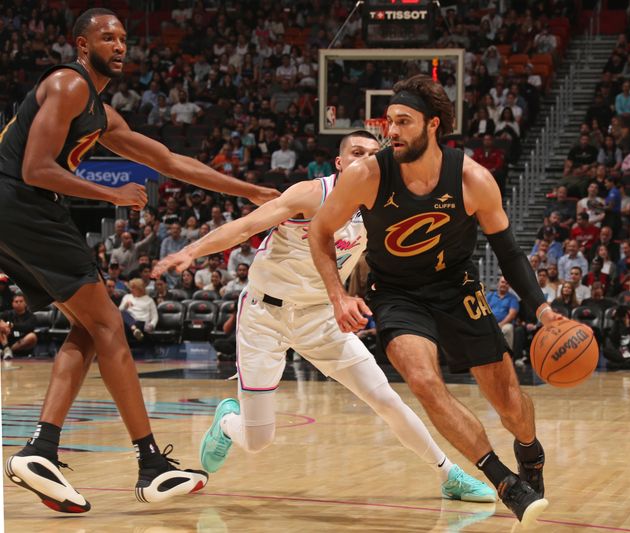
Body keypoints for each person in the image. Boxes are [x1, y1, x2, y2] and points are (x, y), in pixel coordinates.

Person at [0, 9, 278, 512]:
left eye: (124, 38)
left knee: (91, 328)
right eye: (108, 37)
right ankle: (150, 464)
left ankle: (40, 450)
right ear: (82, 45)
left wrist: (251, 190)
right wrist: (110, 196)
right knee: (110, 327)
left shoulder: (102, 115)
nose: (120, 45)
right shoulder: (68, 85)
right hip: (22, 206)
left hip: (22, 213)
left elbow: (172, 163)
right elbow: (35, 168)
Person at [154, 130, 495, 504]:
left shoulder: (382, 208)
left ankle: (449, 475)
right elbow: (246, 226)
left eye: (371, 154)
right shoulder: (311, 194)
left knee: (386, 398)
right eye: (355, 152)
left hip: (321, 316)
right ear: (339, 162)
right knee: (257, 440)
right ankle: (226, 423)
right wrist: (192, 251)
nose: (362, 159)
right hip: (265, 316)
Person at [308, 75, 561, 527]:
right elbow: (320, 231)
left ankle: (529, 451)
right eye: (390, 122)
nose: (392, 131)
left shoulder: (471, 179)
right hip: (396, 293)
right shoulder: (367, 175)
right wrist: (337, 295)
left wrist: (541, 308)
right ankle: (503, 480)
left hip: (456, 287)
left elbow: (508, 250)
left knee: (509, 404)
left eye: (404, 122)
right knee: (423, 381)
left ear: (434, 126)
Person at [486, 276, 519, 356]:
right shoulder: (490, 296)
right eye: (502, 282)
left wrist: (500, 324)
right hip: (490, 323)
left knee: (507, 329)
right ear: (498, 283)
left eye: (507, 283)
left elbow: (512, 314)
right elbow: (484, 310)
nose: (504, 284)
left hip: (505, 324)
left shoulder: (513, 298)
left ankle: (507, 357)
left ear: (509, 286)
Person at [0, 293, 38, 360]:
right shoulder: (8, 313)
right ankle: (6, 349)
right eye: (16, 301)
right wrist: (3, 324)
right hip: (8, 339)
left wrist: (12, 326)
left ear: (25, 303)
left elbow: (28, 327)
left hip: (21, 341)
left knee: (32, 336)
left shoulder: (31, 316)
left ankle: (7, 351)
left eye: (21, 301)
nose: (18, 303)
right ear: (12, 303)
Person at [118, 278, 157, 342]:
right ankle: (134, 329)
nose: (131, 289)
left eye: (133, 288)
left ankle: (134, 329)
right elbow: (119, 311)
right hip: (129, 321)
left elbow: (155, 316)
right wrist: (125, 306)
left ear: (140, 288)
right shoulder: (127, 297)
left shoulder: (149, 300)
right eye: (131, 287)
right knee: (122, 313)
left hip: (142, 323)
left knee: (135, 324)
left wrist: (152, 325)